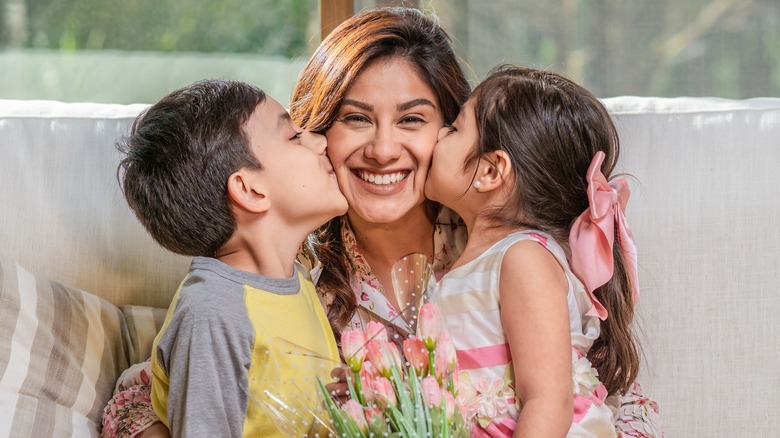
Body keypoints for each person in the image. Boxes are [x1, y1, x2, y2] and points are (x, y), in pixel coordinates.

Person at [103, 7, 661, 438]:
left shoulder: (502, 248)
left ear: (456, 137)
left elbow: (591, 395)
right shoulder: (288, 276)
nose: (384, 149)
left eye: (414, 119)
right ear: (318, 132)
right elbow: (152, 390)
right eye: (356, 119)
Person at [425, 65, 663, 437]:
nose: (439, 133)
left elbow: (548, 402)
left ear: (490, 171)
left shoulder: (523, 260)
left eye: (454, 128)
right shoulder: (462, 259)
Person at [111, 79, 347, 437]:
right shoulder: (213, 312)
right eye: (295, 137)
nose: (320, 140)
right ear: (250, 190)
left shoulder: (295, 277)